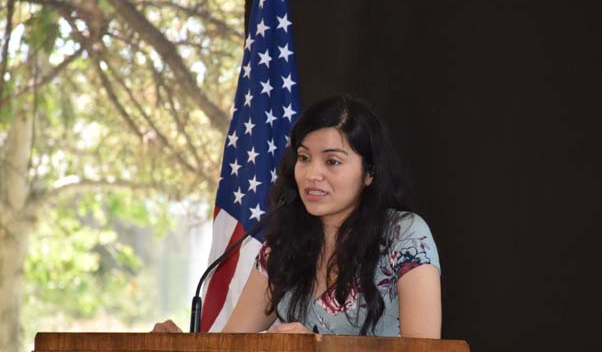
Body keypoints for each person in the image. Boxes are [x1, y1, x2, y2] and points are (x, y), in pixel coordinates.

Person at [154, 95, 441, 338]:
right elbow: (233, 349)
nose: (312, 174)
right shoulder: (282, 247)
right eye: (304, 158)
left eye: (332, 161)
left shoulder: (404, 236)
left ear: (369, 173)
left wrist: (319, 351)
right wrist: (181, 350)